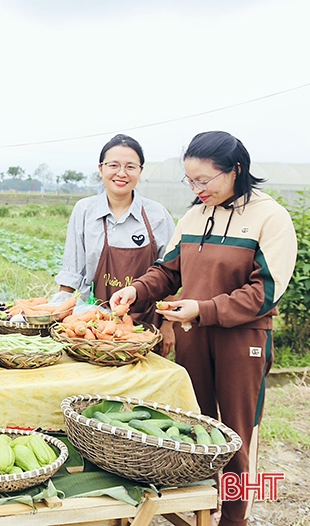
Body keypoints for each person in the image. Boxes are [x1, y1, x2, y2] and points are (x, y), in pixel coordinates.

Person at [110, 131, 297, 526]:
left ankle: (235, 517)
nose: (196, 189)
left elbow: (265, 292)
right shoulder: (195, 215)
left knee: (237, 434)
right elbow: (168, 270)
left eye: (204, 181)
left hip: (242, 340)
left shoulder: (270, 217)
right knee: (198, 428)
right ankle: (204, 507)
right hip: (194, 337)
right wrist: (136, 290)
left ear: (236, 171)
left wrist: (204, 309)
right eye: (190, 181)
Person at [55, 134, 176, 353]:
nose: (121, 173)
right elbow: (72, 271)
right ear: (100, 169)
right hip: (95, 326)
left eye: (130, 166)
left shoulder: (157, 215)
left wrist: (168, 324)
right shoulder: (84, 211)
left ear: (140, 171)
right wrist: (58, 313)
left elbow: (169, 274)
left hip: (146, 329)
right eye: (113, 165)